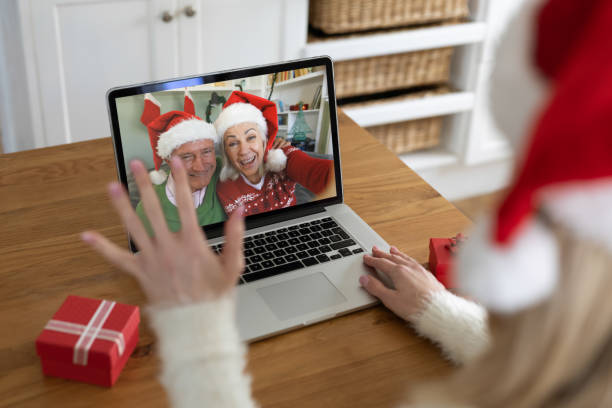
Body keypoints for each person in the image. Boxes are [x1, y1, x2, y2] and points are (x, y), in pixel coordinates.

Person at [81, 0, 612, 406]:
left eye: (252, 139)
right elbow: (540, 368)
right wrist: (442, 312)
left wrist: (197, 335)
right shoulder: (218, 193)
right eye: (230, 143)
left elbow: (324, 175)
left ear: (266, 143)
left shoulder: (287, 164)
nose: (240, 151)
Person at [213, 91, 333, 216]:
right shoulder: (226, 187)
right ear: (225, 151)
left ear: (263, 140)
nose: (243, 151)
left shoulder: (283, 156)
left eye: (251, 137)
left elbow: (321, 173)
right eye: (232, 143)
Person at [136, 110, 226, 234]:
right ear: (168, 161)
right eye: (186, 156)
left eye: (206, 151)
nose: (200, 167)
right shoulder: (149, 209)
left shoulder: (224, 170)